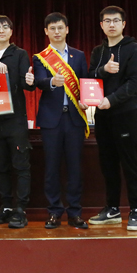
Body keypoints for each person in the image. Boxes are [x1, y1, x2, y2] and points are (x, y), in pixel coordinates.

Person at [87, 6, 137, 232]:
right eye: (107, 21)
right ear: (101, 25)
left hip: (125, 114)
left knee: (130, 164)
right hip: (103, 116)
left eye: (115, 21)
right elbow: (90, 76)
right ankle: (112, 208)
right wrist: (104, 70)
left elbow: (134, 83)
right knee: (108, 164)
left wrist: (111, 100)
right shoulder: (98, 51)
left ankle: (136, 210)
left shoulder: (134, 49)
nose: (111, 24)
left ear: (123, 24)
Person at [33, 12, 90, 230]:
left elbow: (85, 82)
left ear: (67, 30)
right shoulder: (40, 57)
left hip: (74, 119)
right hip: (51, 120)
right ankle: (54, 212)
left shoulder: (79, 55)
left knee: (75, 167)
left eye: (60, 28)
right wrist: (52, 82)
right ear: (46, 31)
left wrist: (86, 100)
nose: (56, 32)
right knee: (52, 168)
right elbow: (39, 81)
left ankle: (75, 212)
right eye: (52, 28)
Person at [0, 15, 35, 229]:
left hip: (15, 120)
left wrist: (24, 79)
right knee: (0, 167)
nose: (1, 30)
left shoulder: (20, 54)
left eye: (5, 27)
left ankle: (21, 209)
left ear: (11, 31)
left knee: (20, 166)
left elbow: (27, 85)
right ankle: (6, 207)